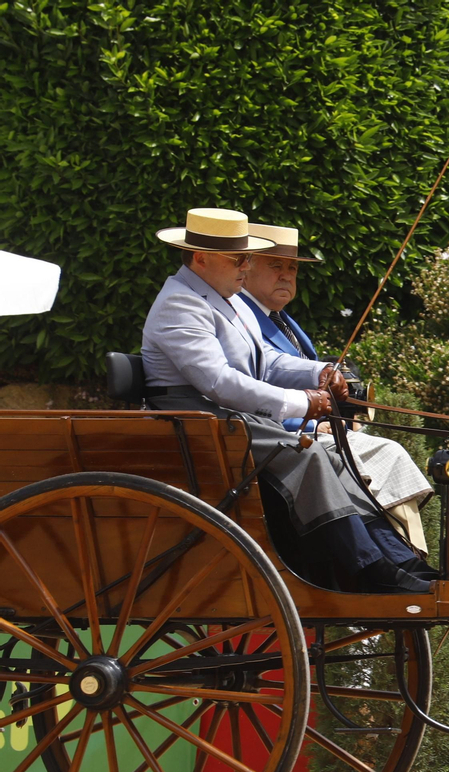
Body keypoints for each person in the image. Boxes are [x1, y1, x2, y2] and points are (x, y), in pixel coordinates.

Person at [140, 207, 429, 594]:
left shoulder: (228, 300)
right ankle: (367, 567)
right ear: (200, 258)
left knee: (332, 455)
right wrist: (302, 403)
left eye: (247, 257)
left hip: (232, 422)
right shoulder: (181, 303)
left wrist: (320, 372)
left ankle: (397, 558)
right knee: (308, 455)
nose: (246, 267)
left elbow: (268, 362)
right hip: (202, 424)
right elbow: (218, 381)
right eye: (238, 259)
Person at [237, 223, 433, 555]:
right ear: (246, 268)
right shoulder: (244, 318)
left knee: (389, 453)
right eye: (275, 266)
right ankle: (401, 558)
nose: (286, 276)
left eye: (292, 268)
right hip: (277, 436)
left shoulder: (279, 317)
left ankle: (405, 556)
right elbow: (250, 391)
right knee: (387, 454)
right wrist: (313, 424)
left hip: (313, 428)